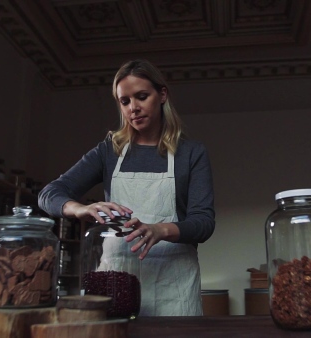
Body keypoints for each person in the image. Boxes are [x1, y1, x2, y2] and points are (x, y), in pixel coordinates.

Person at [38, 59, 215, 316]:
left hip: (174, 286)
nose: (134, 108)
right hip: (115, 282)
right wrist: (81, 209)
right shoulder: (108, 152)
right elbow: (49, 194)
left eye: (142, 97)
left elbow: (204, 222)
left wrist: (159, 230)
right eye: (125, 101)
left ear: (162, 94)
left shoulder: (191, 154)